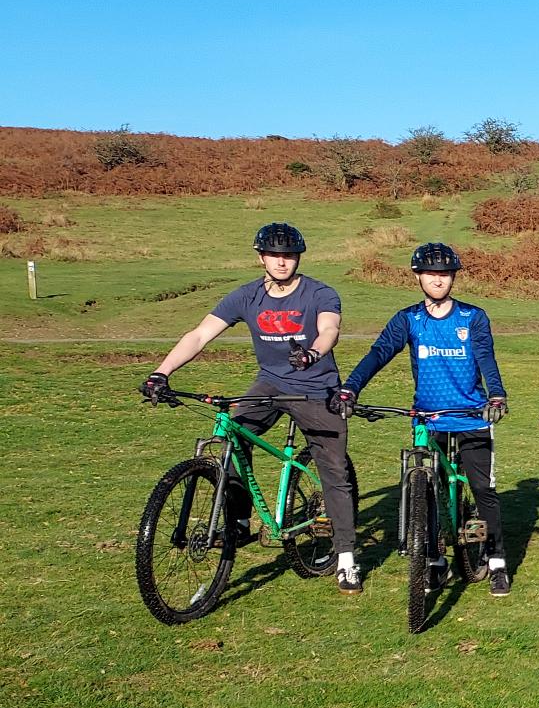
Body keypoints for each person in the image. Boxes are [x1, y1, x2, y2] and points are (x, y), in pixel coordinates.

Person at [139, 222, 363, 593]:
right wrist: (161, 372)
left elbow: (330, 330)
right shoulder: (246, 297)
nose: (282, 261)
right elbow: (199, 335)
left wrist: (312, 353)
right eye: (274, 254)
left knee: (334, 472)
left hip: (316, 388)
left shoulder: (320, 293)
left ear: (298, 258)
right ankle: (239, 521)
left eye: (289, 255)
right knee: (231, 434)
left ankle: (346, 559)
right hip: (270, 385)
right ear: (261, 257)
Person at [329, 243, 513, 596]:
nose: (438, 280)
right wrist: (351, 388)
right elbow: (379, 352)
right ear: (418, 277)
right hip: (427, 420)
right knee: (425, 492)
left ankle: (496, 562)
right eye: (431, 274)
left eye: (444, 274)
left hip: (471, 415)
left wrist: (496, 395)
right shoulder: (408, 319)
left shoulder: (472, 317)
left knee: (482, 490)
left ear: (453, 277)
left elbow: (486, 357)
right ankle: (433, 561)